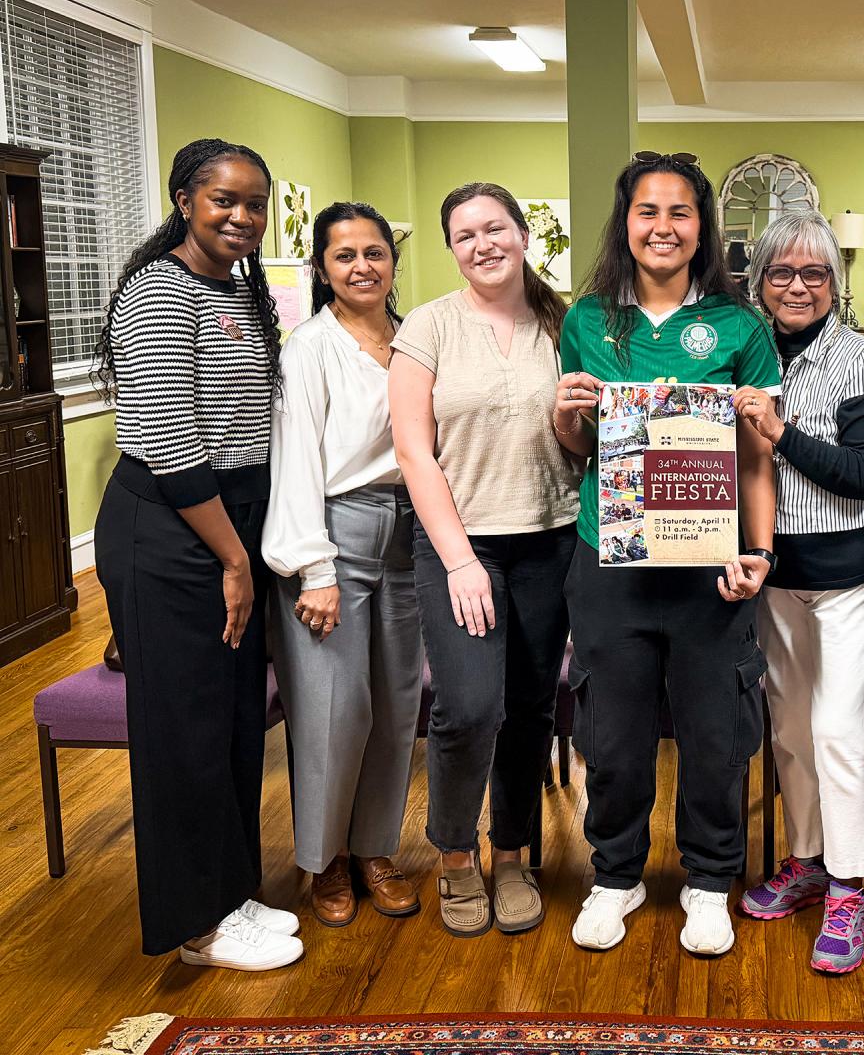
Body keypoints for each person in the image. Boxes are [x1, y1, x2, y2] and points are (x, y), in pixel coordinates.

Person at [554, 151, 781, 958]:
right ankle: (613, 878)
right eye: (647, 211)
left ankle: (710, 882)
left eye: (680, 212)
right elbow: (578, 444)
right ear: (626, 223)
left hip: (709, 567)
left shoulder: (738, 327)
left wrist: (760, 551)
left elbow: (756, 456)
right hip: (608, 560)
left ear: (701, 228)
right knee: (610, 734)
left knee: (715, 732)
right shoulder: (588, 322)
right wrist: (567, 411)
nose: (663, 227)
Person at [92, 137, 303, 970]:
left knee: (233, 721)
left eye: (255, 203)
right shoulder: (159, 294)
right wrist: (235, 561)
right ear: (185, 201)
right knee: (182, 730)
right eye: (224, 200)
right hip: (172, 532)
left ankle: (233, 892)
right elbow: (171, 446)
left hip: (231, 521)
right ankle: (196, 927)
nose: (242, 217)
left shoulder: (240, 292)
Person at [388, 182, 579, 938]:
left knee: (532, 706)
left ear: (523, 234)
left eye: (494, 228)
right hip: (458, 543)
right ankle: (455, 856)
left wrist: (575, 421)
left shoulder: (565, 323)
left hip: (551, 536)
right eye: (464, 235)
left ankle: (513, 854)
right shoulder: (429, 327)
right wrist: (461, 560)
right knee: (469, 707)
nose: (482, 245)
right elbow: (412, 447)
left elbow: (581, 443)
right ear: (451, 249)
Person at [732, 211, 864, 975]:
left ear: (836, 282)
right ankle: (805, 860)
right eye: (782, 273)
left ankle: (851, 884)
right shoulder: (743, 350)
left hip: (847, 580)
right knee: (790, 731)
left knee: (834, 730)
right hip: (772, 576)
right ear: (759, 282)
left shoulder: (863, 360)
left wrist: (781, 431)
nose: (798, 287)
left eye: (815, 274)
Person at [262, 202, 423, 929]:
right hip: (335, 529)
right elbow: (294, 461)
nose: (362, 266)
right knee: (334, 709)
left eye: (375, 252)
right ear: (322, 268)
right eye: (344, 255)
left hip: (411, 533)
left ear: (393, 259)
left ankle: (373, 850)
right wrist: (313, 570)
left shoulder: (415, 337)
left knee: (394, 706)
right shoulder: (310, 348)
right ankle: (322, 861)